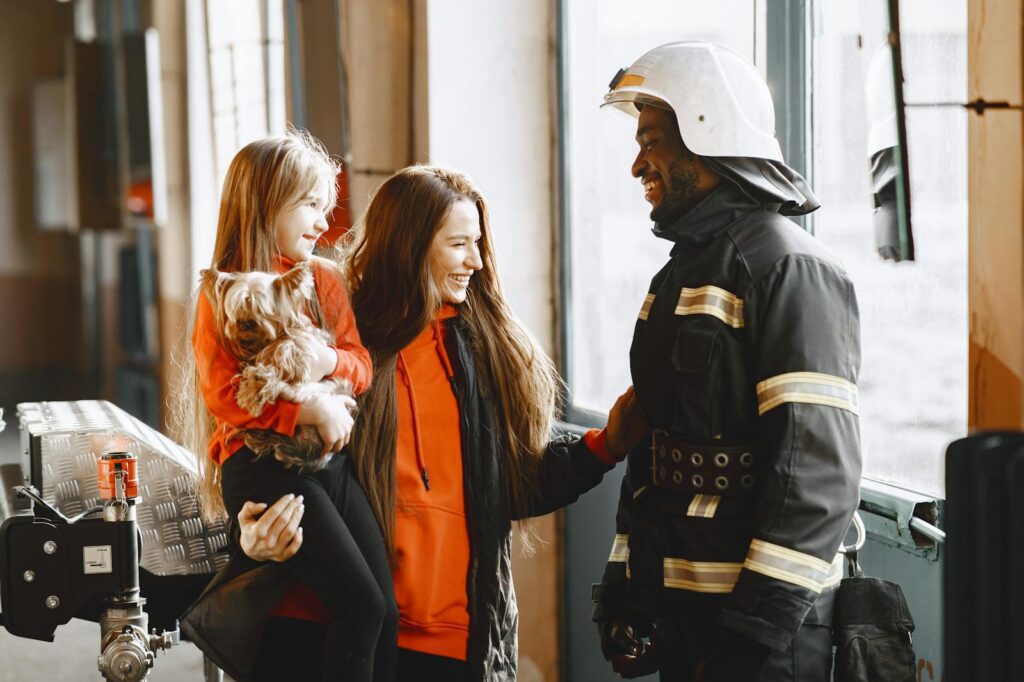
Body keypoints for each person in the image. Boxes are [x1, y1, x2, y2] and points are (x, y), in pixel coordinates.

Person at [197, 165, 648, 680]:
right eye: (460, 244)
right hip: (325, 634)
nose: (477, 261)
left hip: (453, 643)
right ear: (410, 245)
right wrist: (250, 541)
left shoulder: (488, 351)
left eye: (478, 243)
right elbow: (261, 453)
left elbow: (506, 487)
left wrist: (605, 445)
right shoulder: (340, 335)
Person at [591, 42, 862, 681]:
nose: (637, 165)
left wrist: (752, 637)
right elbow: (652, 453)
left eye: (652, 140)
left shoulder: (789, 269)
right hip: (685, 624)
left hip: (765, 643)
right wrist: (623, 591)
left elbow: (817, 473)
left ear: (705, 134)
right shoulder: (678, 277)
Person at [184, 132, 398, 682]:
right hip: (261, 464)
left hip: (327, 461)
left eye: (326, 209)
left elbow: (360, 364)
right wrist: (309, 414)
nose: (324, 224)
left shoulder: (323, 279)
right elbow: (224, 395)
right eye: (310, 206)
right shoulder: (223, 291)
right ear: (262, 204)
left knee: (385, 611)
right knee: (360, 606)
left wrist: (322, 363)